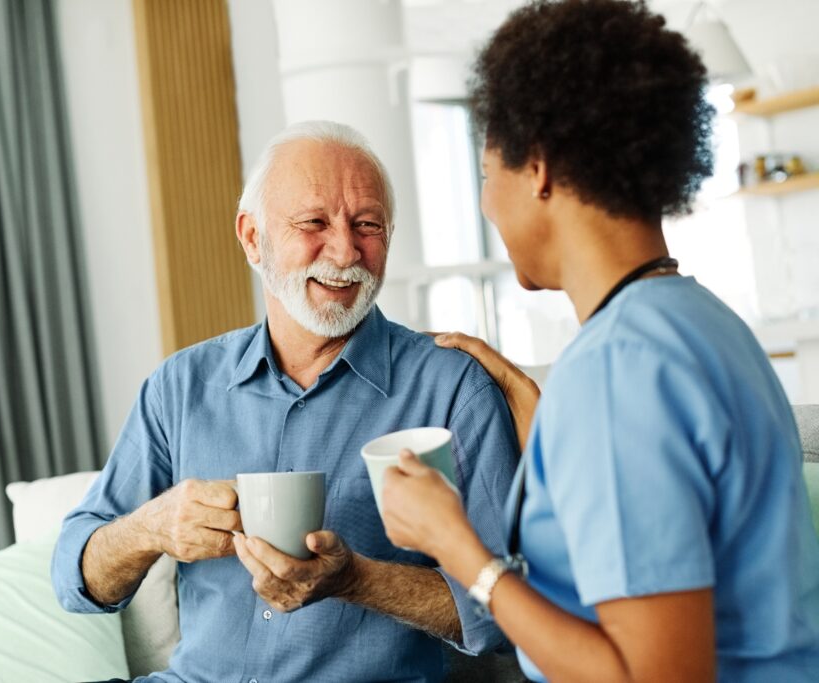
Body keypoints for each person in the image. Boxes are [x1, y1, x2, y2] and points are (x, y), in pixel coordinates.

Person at [380, 1, 819, 681]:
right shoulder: (702, 322)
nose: (486, 201)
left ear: (541, 168)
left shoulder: (617, 370)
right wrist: (550, 429)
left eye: (488, 170)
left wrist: (458, 546)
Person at [51, 121, 520, 682]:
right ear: (252, 237)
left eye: (367, 225)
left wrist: (358, 580)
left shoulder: (451, 389)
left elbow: (509, 612)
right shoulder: (180, 386)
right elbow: (73, 579)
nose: (346, 251)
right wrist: (149, 527)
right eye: (314, 223)